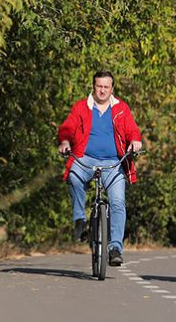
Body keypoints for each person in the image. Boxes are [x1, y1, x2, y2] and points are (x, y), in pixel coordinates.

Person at [58, 71, 142, 267]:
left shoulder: (121, 108)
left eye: (106, 87)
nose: (102, 90)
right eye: (99, 86)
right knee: (74, 177)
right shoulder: (81, 107)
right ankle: (80, 220)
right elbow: (68, 127)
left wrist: (135, 141)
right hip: (85, 160)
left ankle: (115, 248)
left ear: (112, 88)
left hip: (113, 163)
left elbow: (132, 129)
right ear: (93, 87)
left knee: (118, 202)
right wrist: (64, 141)